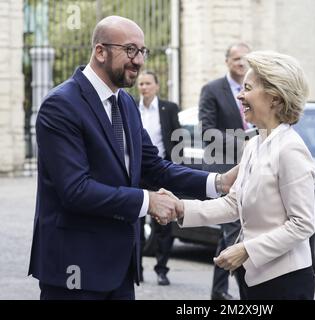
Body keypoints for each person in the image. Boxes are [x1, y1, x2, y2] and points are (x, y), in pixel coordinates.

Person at [28, 15, 237, 300]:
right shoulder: (61, 105)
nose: (138, 60)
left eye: (142, 51)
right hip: (74, 269)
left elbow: (154, 167)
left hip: (121, 269)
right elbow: (75, 190)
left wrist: (218, 182)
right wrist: (148, 201)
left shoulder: (125, 103)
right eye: (130, 50)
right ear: (100, 51)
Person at [163, 51, 315, 300]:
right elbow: (234, 202)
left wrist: (247, 249)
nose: (240, 95)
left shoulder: (291, 149)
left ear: (275, 98)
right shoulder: (253, 144)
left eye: (248, 88)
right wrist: (182, 208)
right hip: (252, 277)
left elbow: (302, 224)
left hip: (285, 283)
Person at [198, 42, 251, 300]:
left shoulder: (254, 88)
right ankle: (247, 296)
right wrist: (243, 144)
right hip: (224, 172)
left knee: (231, 234)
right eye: (236, 58)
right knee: (233, 231)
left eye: (245, 58)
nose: (241, 62)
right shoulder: (212, 90)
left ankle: (219, 292)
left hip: (251, 170)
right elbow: (207, 131)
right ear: (227, 61)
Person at [136, 70, 181, 286]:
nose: (143, 87)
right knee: (135, 224)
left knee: (164, 226)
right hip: (137, 175)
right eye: (141, 83)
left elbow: (177, 138)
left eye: (147, 83)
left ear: (157, 86)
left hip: (161, 171)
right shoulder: (131, 109)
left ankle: (162, 269)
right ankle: (137, 269)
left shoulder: (169, 108)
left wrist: (176, 169)